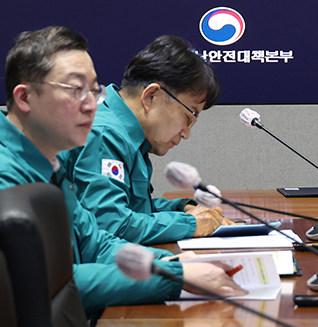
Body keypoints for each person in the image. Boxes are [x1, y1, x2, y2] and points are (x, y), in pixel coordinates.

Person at [0, 26, 246, 317]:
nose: (92, 106)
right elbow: (46, 287)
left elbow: (95, 242)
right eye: (75, 90)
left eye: (94, 91)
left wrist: (173, 263)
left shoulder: (46, 159)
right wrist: (174, 276)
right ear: (25, 98)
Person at [59, 35, 232, 245]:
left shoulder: (127, 135)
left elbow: (131, 209)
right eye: (188, 117)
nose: (186, 133)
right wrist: (190, 223)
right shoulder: (104, 134)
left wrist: (182, 208)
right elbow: (111, 225)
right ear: (150, 96)